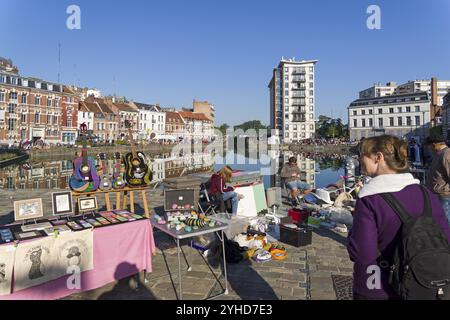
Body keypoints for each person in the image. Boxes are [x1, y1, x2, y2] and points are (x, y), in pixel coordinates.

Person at [347, 135, 450, 300]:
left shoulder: (370, 199)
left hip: (377, 286)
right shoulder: (426, 194)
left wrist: (353, 232)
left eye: (362, 155)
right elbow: (445, 238)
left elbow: (362, 254)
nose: (360, 160)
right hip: (419, 284)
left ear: (378, 157)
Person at [426, 133, 450, 225]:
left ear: (434, 144)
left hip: (444, 196)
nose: (429, 148)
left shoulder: (446, 154)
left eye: (429, 146)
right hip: (439, 195)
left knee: (446, 222)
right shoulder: (440, 154)